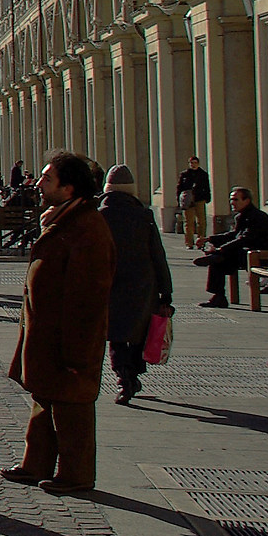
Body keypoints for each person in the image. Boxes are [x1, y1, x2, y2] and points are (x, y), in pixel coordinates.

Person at [2, 151, 114, 495]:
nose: (37, 183)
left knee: (71, 406)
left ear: (68, 189)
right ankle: (35, 464)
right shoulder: (62, 221)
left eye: (47, 179)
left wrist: (77, 351)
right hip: (47, 335)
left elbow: (88, 297)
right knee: (45, 399)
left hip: (68, 338)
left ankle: (76, 474)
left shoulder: (85, 229)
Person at [99, 164, 171, 407]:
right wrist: (166, 291)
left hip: (110, 284)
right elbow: (157, 254)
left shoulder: (99, 216)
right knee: (139, 331)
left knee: (116, 335)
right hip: (143, 284)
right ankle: (133, 373)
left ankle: (123, 377)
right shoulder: (143, 215)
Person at [198, 187, 268, 308]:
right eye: (231, 199)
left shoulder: (256, 217)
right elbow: (233, 235)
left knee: (220, 258)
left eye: (235, 199)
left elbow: (245, 239)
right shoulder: (241, 216)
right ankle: (219, 296)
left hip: (259, 256)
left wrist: (221, 249)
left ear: (247, 200)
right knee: (218, 261)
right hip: (245, 254)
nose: (232, 203)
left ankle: (216, 258)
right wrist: (210, 239)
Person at [177, 156, 212, 247]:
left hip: (199, 199)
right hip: (188, 200)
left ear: (198, 163)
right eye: (191, 163)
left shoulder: (203, 174)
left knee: (201, 221)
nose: (193, 165)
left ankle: (201, 241)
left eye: (195, 163)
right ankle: (189, 243)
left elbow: (207, 187)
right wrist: (179, 200)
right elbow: (179, 188)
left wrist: (207, 197)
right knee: (188, 222)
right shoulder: (184, 174)